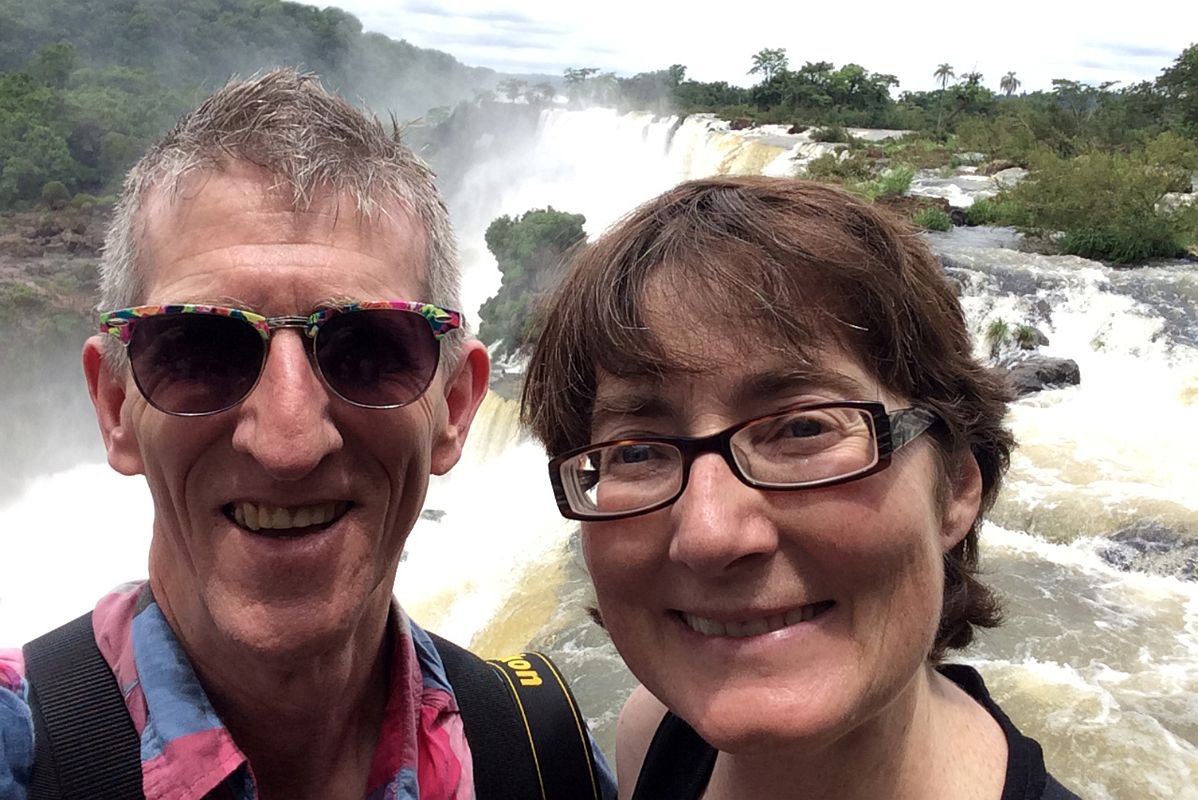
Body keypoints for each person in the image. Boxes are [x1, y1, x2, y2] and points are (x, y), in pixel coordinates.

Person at [0, 70, 614, 800]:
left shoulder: (543, 757)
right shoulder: (21, 750)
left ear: (455, 404)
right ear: (113, 403)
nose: (287, 442)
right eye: (200, 351)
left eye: (368, 352)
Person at [521, 176, 1080, 800]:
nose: (710, 534)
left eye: (803, 429)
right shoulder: (654, 734)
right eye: (638, 452)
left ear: (954, 486)